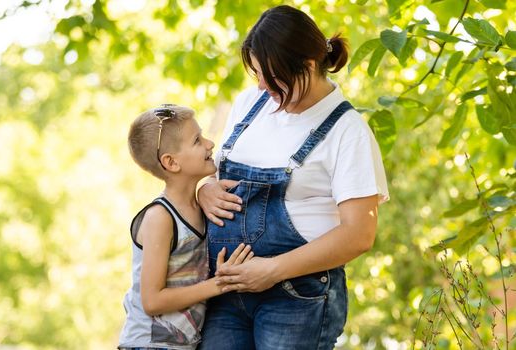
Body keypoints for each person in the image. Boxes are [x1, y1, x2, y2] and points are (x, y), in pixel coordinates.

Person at [198, 5, 389, 350]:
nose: (261, 85)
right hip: (224, 291)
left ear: (308, 65)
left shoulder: (348, 132)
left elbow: (359, 234)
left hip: (295, 299)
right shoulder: (249, 103)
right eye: (256, 73)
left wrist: (271, 270)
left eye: (271, 76)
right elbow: (210, 172)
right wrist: (204, 190)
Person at [118, 104, 254, 350]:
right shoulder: (160, 217)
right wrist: (219, 284)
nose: (210, 143)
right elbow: (152, 300)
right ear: (171, 162)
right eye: (197, 140)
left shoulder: (201, 209)